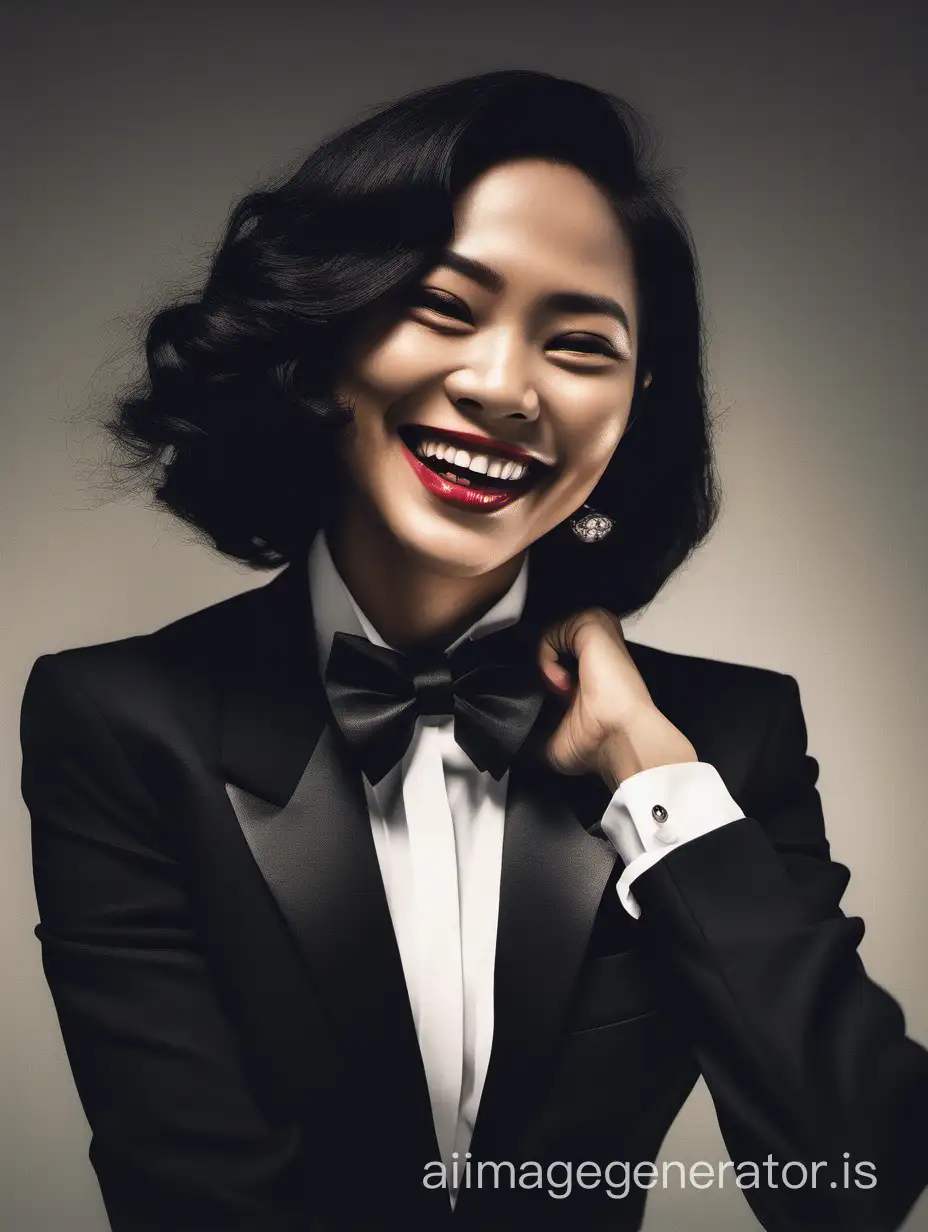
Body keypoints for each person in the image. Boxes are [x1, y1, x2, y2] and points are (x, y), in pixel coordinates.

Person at [19, 69, 928, 1232]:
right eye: (444, 307)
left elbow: (849, 1174)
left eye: (581, 343)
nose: (504, 388)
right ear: (328, 338)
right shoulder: (119, 718)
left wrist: (653, 778)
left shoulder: (725, 741)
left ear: (635, 399)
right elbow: (190, 1192)